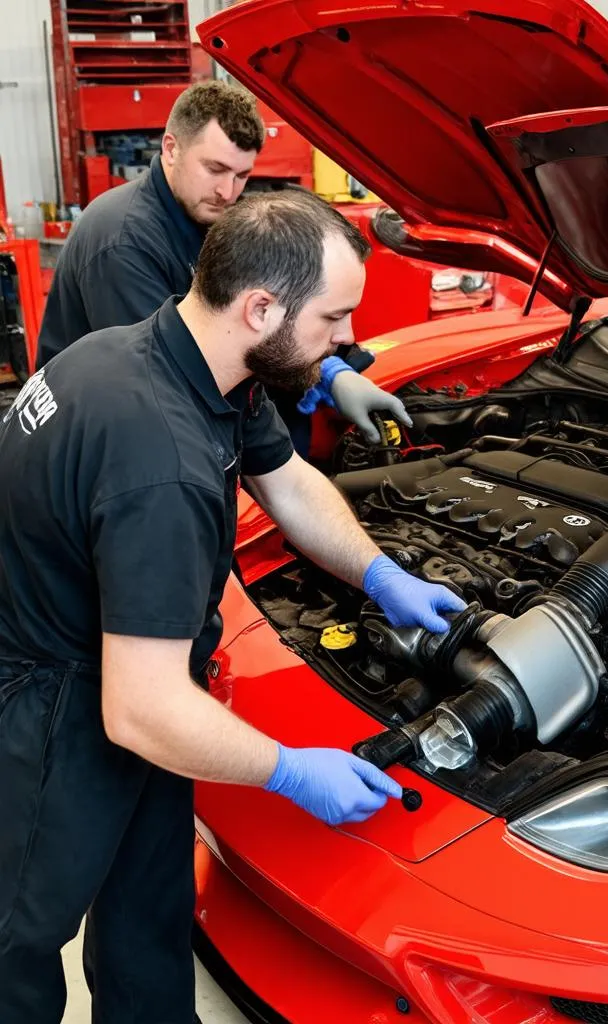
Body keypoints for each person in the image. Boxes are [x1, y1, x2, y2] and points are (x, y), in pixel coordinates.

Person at [0, 188, 466, 1023]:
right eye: (334, 318)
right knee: (16, 944)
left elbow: (284, 479)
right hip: (48, 712)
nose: (348, 341)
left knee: (147, 907)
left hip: (111, 663)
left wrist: (382, 574)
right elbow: (140, 710)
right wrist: (289, 771)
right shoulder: (161, 463)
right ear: (260, 307)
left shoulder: (176, 355)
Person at [36, 78, 405, 445]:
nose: (227, 192)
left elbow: (270, 318)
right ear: (171, 148)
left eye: (242, 175)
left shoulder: (201, 214)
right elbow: (165, 377)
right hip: (100, 433)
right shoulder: (124, 242)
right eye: (214, 169)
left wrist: (333, 371)